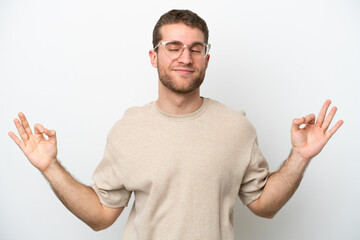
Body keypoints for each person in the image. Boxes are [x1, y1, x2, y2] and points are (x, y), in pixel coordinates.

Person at [9, 9, 343, 240]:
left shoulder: (236, 127)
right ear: (154, 57)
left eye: (196, 49)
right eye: (174, 47)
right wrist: (50, 166)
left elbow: (263, 206)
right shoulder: (128, 130)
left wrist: (300, 156)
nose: (185, 57)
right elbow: (101, 215)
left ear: (206, 60)